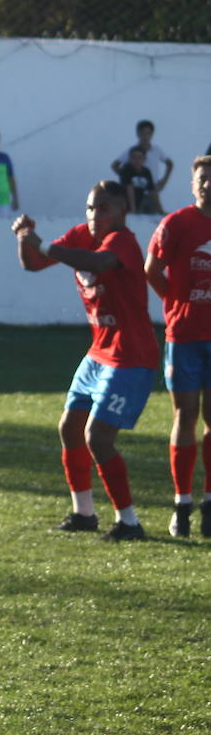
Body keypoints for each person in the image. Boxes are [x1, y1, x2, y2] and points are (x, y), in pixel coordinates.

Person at [13, 181, 157, 541]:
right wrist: (26, 237)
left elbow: (98, 262)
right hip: (99, 352)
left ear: (123, 211)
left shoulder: (123, 240)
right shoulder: (81, 234)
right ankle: (84, 513)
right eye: (91, 208)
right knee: (69, 428)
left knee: (99, 438)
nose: (95, 215)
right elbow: (33, 264)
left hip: (130, 356)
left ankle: (129, 522)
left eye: (104, 208)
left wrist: (44, 244)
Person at [144, 157, 211, 537]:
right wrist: (174, 301)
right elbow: (152, 269)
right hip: (184, 335)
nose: (208, 185)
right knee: (185, 415)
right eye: (202, 179)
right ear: (192, 184)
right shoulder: (176, 224)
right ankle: (181, 503)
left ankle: (209, 501)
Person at [113, 120, 173, 200]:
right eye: (142, 133)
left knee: (153, 211)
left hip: (152, 191)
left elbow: (169, 164)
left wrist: (163, 181)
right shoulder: (132, 151)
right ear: (138, 134)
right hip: (135, 192)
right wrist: (127, 178)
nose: (145, 136)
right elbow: (115, 165)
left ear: (152, 134)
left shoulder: (156, 150)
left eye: (148, 133)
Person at [117, 145, 161, 215]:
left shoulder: (146, 171)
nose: (137, 160)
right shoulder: (126, 170)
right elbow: (129, 189)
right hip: (126, 202)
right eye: (134, 157)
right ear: (130, 159)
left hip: (140, 200)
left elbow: (152, 191)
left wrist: (160, 210)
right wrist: (133, 210)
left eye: (139, 157)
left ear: (144, 159)